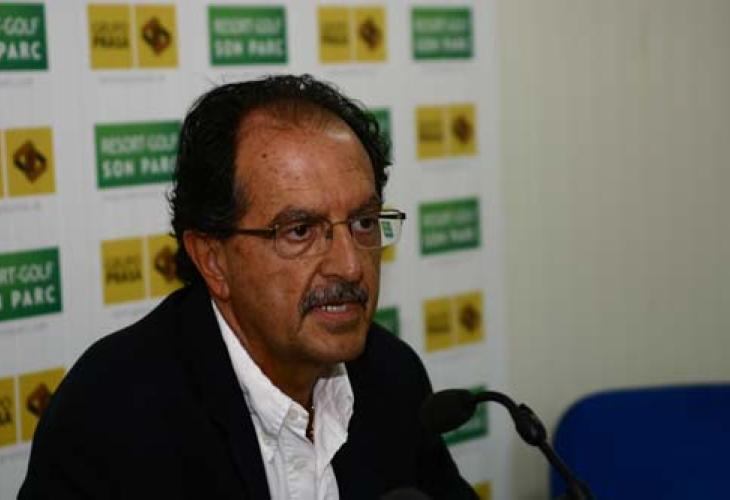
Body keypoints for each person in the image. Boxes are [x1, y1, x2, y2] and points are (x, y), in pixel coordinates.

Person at [19, 74, 475, 499]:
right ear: (213, 259)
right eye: (300, 231)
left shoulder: (393, 377)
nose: (350, 265)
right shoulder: (110, 417)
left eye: (363, 222)